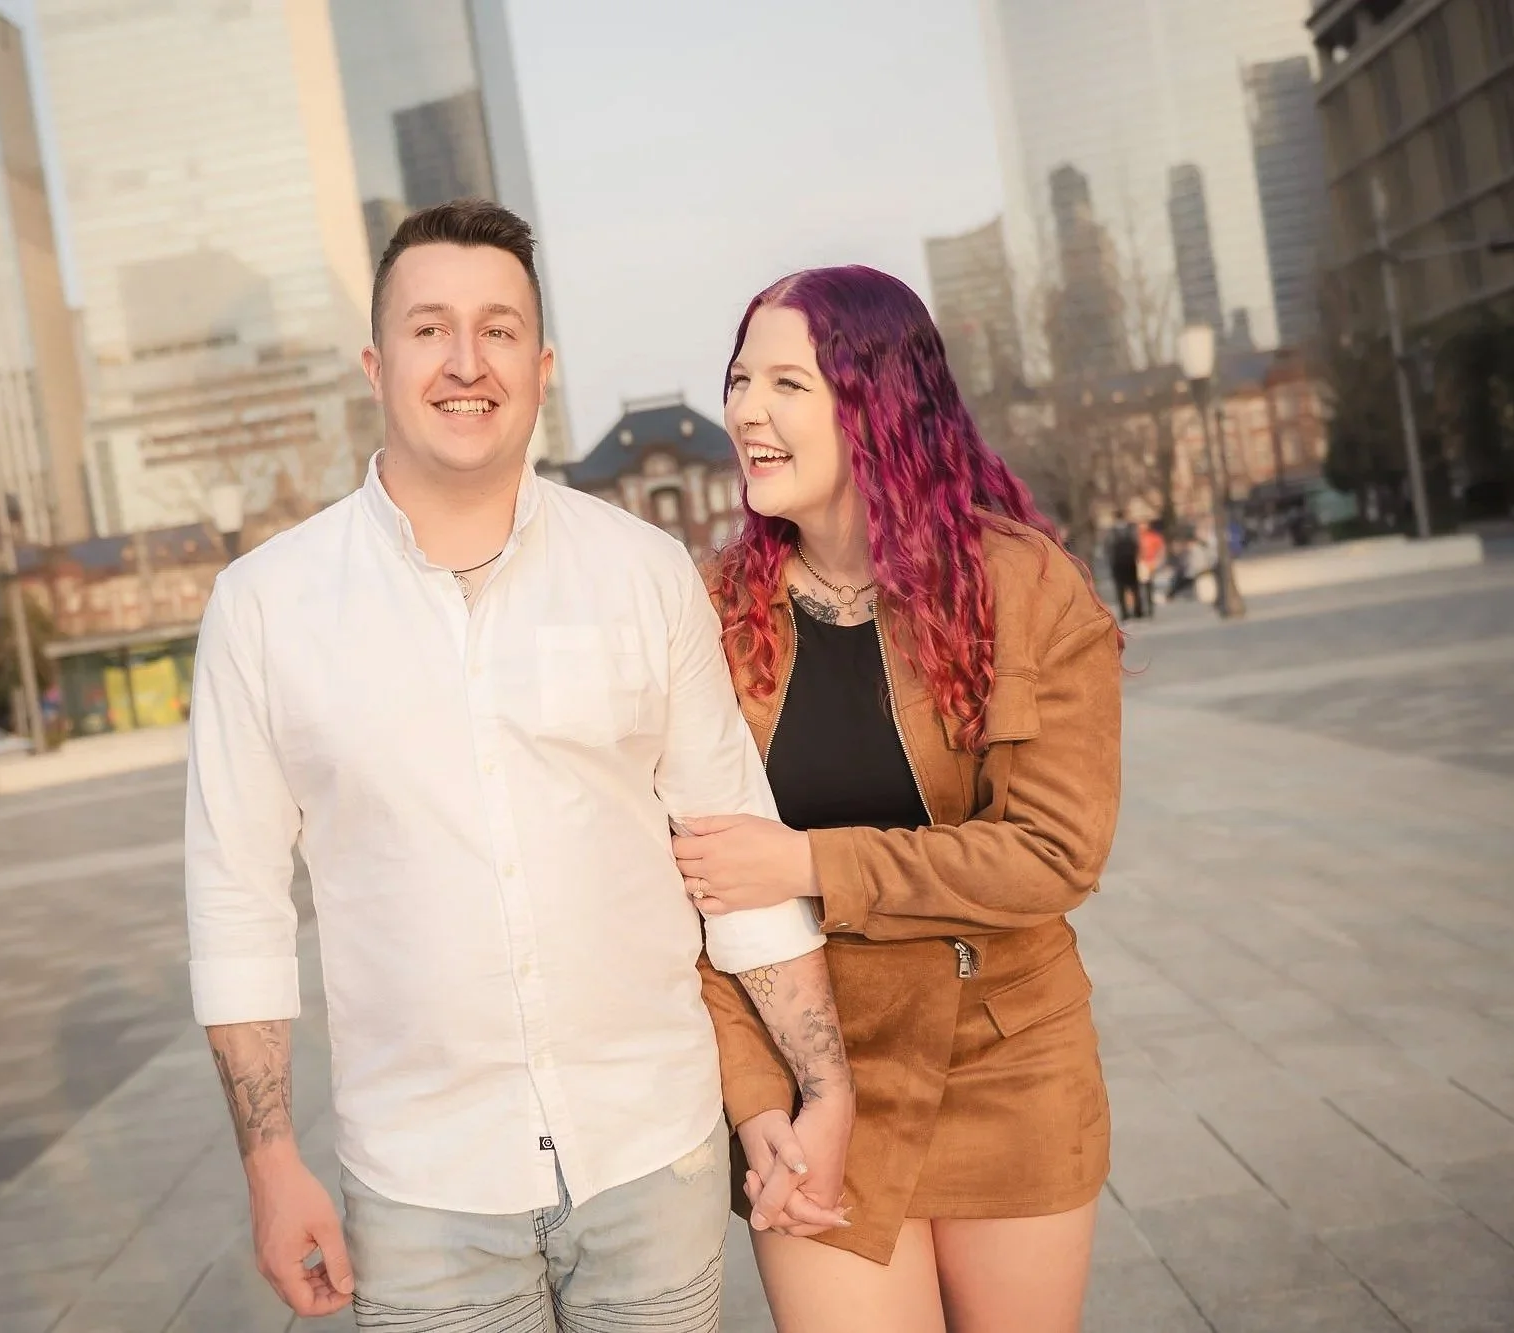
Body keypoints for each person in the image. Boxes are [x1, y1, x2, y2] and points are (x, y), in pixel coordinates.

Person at [181, 200, 854, 1331]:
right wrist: (270, 1161)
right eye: (428, 328)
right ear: (376, 362)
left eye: (498, 330)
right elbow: (236, 904)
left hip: (654, 1155)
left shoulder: (641, 574)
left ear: (540, 367)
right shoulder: (263, 608)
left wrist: (823, 1085)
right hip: (420, 1188)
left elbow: (730, 844)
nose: (464, 361)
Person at [672, 266, 1122, 1333]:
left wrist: (809, 864)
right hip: (812, 1068)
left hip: (1007, 1057)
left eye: (788, 382)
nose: (746, 411)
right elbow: (697, 900)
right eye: (739, 381)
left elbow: (1053, 853)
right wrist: (755, 1104)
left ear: (877, 399)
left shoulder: (1021, 585)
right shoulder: (710, 616)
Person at [1105, 512, 1143, 620]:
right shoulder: (1131, 529)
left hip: (1117, 563)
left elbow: (1108, 547)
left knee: (1120, 589)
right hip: (1131, 562)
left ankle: (1125, 613)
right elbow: (1136, 544)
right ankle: (1138, 611)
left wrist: (1110, 561)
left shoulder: (1112, 532)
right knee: (1134, 588)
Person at [1137, 520, 1167, 613]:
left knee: (1148, 585)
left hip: (1151, 562)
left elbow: (1161, 548)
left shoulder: (1154, 537)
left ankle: (1150, 607)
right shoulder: (1137, 537)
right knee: (1141, 585)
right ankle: (1142, 606)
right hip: (1141, 563)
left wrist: (1158, 560)